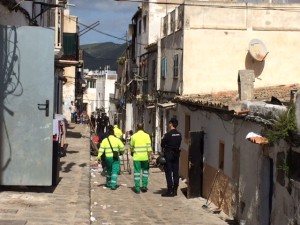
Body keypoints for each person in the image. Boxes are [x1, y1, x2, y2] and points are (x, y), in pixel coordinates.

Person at [97, 125, 125, 190]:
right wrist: (121, 152)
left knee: (109, 171)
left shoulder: (105, 140)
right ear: (113, 133)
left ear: (108, 133)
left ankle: (108, 183)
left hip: (108, 158)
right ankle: (113, 185)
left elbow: (101, 149)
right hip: (115, 157)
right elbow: (122, 148)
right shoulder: (117, 140)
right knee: (115, 171)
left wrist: (98, 156)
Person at [160, 118, 182, 197]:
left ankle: (170, 190)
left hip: (169, 154)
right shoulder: (179, 134)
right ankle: (175, 190)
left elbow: (162, 144)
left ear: (171, 124)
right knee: (176, 172)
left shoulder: (168, 134)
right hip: (176, 154)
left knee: (169, 172)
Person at [130, 123, 152, 194]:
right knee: (145, 172)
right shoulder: (147, 136)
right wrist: (149, 157)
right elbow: (149, 148)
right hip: (145, 157)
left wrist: (132, 152)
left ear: (137, 127)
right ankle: (144, 186)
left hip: (137, 157)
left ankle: (137, 188)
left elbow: (131, 147)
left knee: (137, 172)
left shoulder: (134, 136)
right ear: (143, 127)